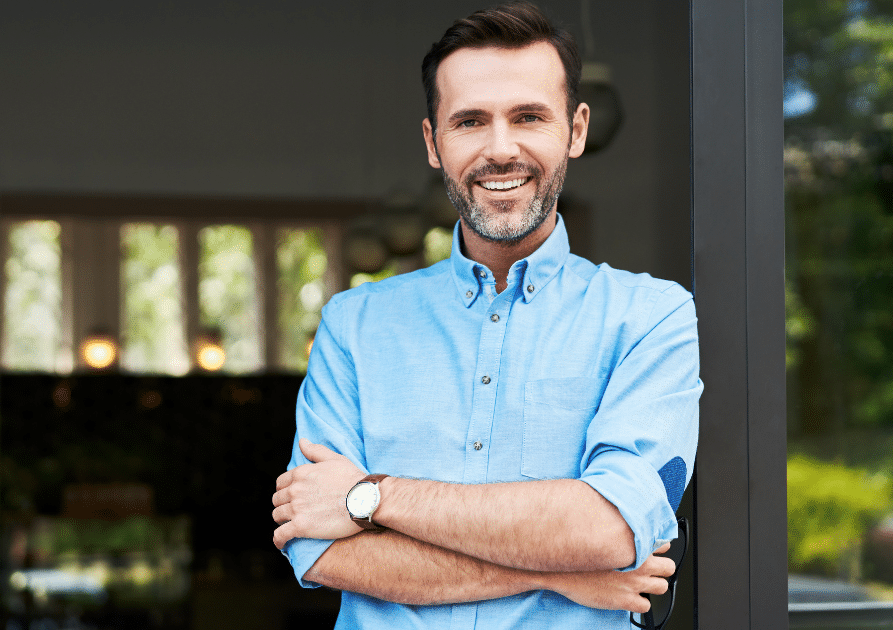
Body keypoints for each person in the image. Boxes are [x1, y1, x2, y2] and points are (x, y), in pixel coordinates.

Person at [270, 2, 702, 628]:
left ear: (576, 130)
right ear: (433, 142)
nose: (501, 150)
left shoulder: (651, 316)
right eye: (470, 121)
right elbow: (318, 549)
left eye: (529, 116)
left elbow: (609, 529)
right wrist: (557, 574)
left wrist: (371, 497)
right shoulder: (354, 325)